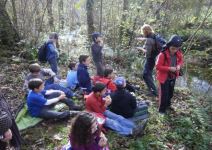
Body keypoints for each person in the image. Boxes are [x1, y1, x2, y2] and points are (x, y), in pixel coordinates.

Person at [156, 35, 183, 114]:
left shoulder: (178, 53)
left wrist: (178, 65)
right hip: (163, 78)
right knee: (164, 95)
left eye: (176, 49)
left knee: (170, 93)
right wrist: (169, 68)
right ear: (169, 45)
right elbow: (157, 66)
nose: (174, 50)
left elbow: (181, 60)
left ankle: (168, 105)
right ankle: (161, 111)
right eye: (172, 48)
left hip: (173, 76)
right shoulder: (162, 54)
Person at [137, 24, 158, 97]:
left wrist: (140, 48)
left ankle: (154, 92)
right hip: (153, 58)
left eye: (143, 31)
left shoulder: (150, 38)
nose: (142, 32)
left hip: (151, 58)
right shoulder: (152, 35)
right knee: (148, 74)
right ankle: (153, 90)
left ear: (145, 31)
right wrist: (143, 40)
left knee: (145, 74)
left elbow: (147, 52)